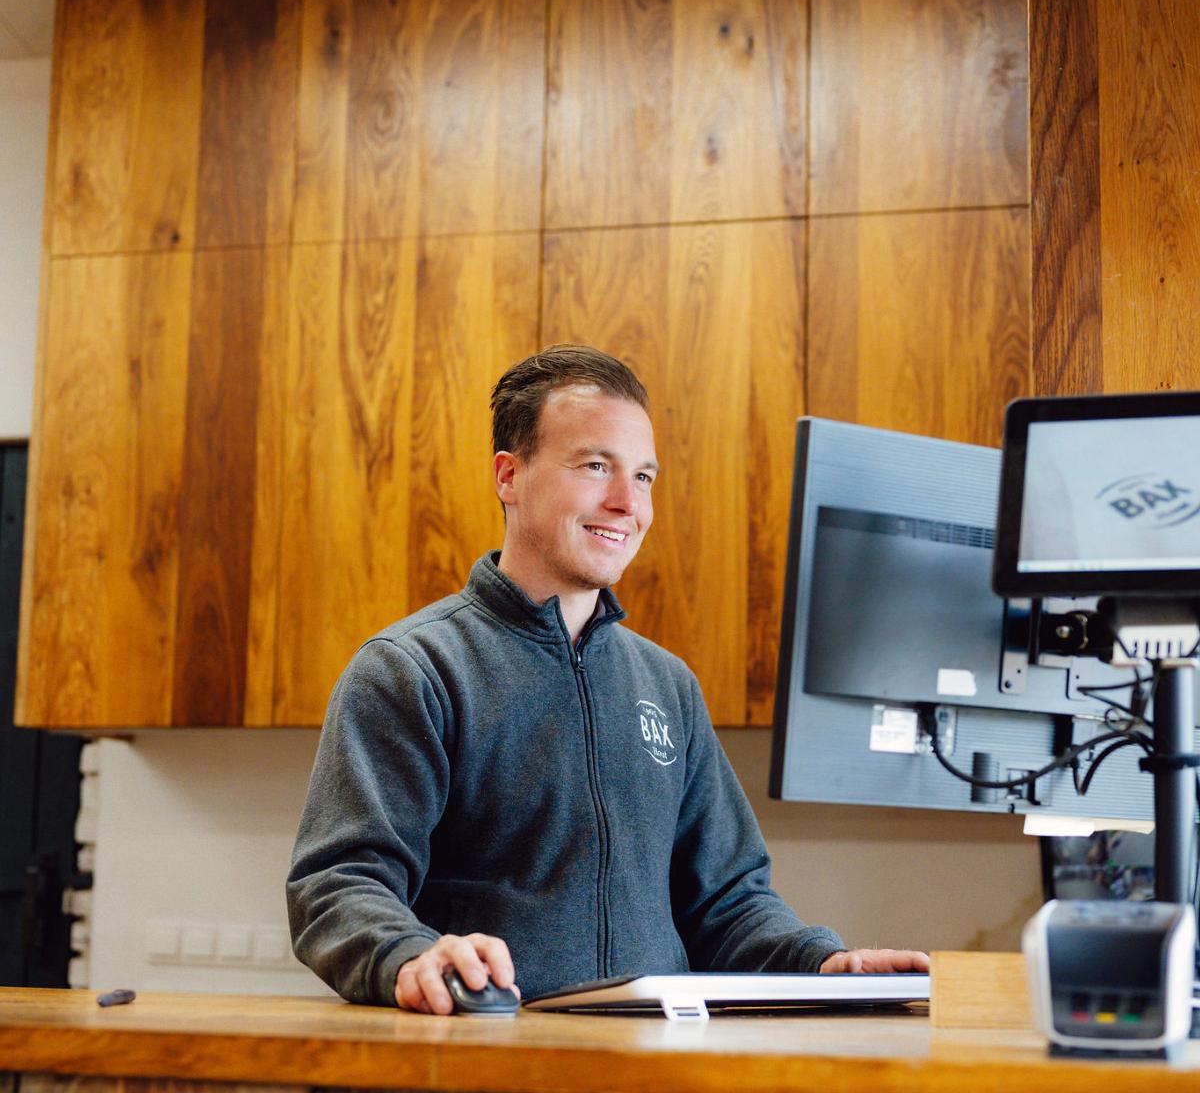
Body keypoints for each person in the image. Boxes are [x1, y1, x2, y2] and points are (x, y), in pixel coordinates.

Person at [287, 345, 928, 1013]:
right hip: (488, 1064)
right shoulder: (412, 670)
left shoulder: (668, 686)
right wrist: (409, 956)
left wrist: (822, 962)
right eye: (596, 467)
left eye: (644, 477)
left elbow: (728, 904)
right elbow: (338, 885)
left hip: (656, 1066)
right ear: (509, 476)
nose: (628, 503)